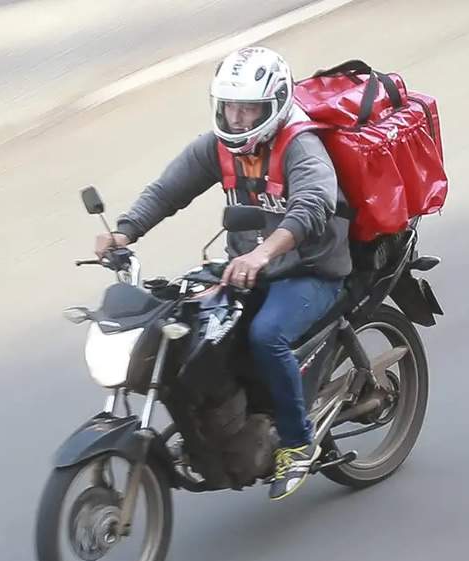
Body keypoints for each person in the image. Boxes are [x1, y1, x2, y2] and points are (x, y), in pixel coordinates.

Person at [93, 46, 352, 500]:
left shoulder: (300, 146)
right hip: (244, 266)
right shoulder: (219, 146)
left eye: (249, 107)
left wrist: (264, 253)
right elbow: (170, 188)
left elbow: (312, 206)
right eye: (230, 106)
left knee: (265, 335)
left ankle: (297, 442)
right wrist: (125, 232)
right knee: (188, 323)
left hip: (309, 269)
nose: (237, 118)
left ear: (273, 106)